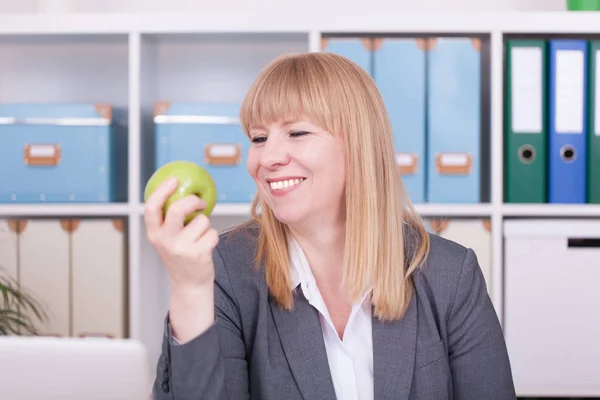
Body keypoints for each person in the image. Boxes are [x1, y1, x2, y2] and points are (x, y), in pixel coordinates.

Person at [145, 51, 516, 400]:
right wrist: (190, 288)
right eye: (259, 138)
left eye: (297, 133)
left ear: (359, 146)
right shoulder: (225, 269)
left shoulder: (450, 275)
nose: (268, 157)